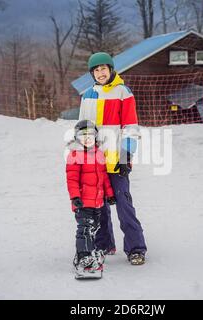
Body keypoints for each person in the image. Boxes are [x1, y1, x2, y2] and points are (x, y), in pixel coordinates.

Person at [78, 52, 147, 266]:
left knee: (123, 205)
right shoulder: (88, 95)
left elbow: (130, 127)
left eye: (103, 69)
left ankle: (136, 248)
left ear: (111, 69)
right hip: (95, 162)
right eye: (96, 70)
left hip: (117, 162)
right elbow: (83, 129)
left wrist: (126, 157)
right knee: (98, 205)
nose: (100, 73)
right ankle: (104, 243)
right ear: (92, 74)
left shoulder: (122, 92)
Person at [66, 120, 116, 277]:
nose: (87, 138)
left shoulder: (99, 154)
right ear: (76, 137)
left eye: (91, 135)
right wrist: (75, 197)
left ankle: (88, 252)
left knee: (93, 229)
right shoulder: (75, 155)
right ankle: (84, 257)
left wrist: (110, 194)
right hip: (83, 202)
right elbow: (72, 179)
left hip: (97, 202)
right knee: (85, 229)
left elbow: (104, 177)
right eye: (83, 135)